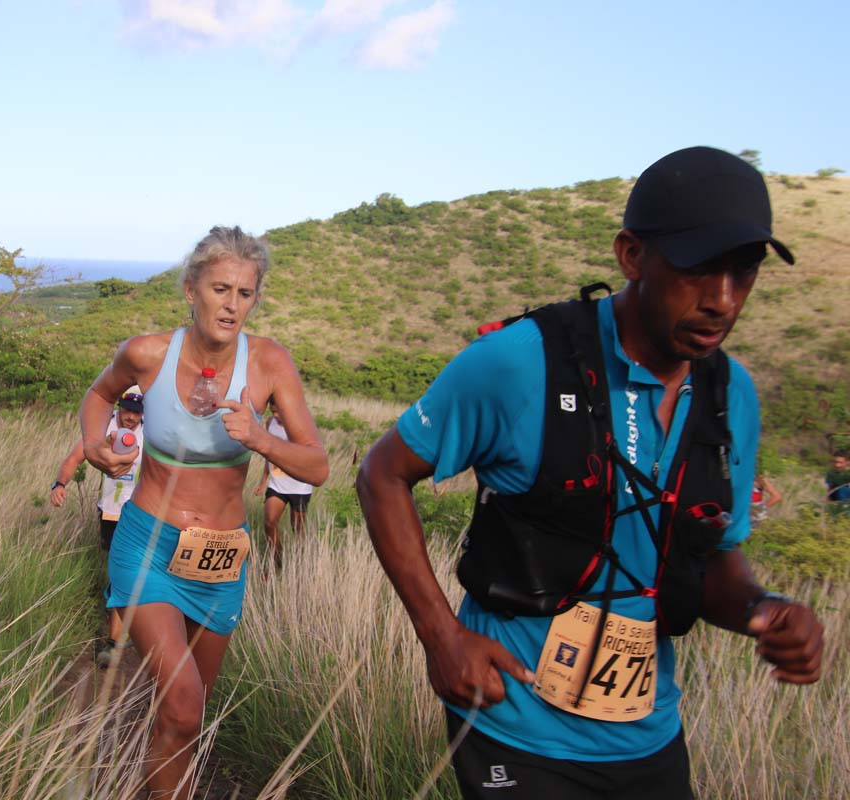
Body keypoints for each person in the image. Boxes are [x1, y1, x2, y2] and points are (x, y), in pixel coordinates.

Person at [357, 146, 824, 799]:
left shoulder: (730, 395)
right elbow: (381, 474)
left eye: (743, 273)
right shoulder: (521, 362)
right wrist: (441, 636)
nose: (722, 300)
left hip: (648, 736)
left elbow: (716, 560)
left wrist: (763, 608)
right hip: (513, 726)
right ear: (631, 255)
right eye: (697, 268)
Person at [80, 226, 328, 798]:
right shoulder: (147, 354)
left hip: (221, 560)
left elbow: (316, 466)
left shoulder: (268, 363)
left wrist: (260, 438)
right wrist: (95, 445)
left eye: (245, 293)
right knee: (185, 703)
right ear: (192, 290)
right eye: (220, 289)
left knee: (185, 718)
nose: (232, 305)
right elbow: (98, 394)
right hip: (150, 542)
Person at [50, 387, 145, 667]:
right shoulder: (104, 427)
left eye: (137, 412)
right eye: (127, 410)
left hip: (141, 513)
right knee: (119, 571)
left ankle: (115, 641)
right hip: (111, 512)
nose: (130, 417)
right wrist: (60, 484)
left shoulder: (151, 432)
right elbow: (74, 458)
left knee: (127, 572)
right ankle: (121, 625)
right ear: (119, 406)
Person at [253, 398, 314, 573]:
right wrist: (263, 481)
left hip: (299, 486)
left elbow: (309, 455)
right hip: (277, 484)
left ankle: (301, 567)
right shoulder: (270, 423)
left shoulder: (299, 427)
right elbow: (269, 454)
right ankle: (276, 563)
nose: (276, 415)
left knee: (298, 529)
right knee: (269, 523)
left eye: (279, 411)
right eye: (272, 411)